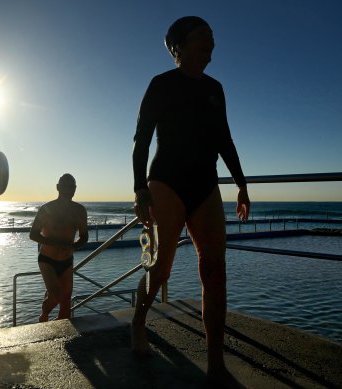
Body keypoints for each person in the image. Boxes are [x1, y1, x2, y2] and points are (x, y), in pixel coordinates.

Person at [131, 16, 251, 384]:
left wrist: (241, 185)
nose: (210, 41)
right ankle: (138, 321)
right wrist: (140, 189)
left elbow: (224, 140)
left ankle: (216, 361)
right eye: (202, 35)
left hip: (205, 184)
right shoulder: (161, 84)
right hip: (165, 181)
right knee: (161, 269)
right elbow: (142, 140)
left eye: (212, 36)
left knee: (215, 271)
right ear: (178, 46)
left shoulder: (215, 88)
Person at [29, 173, 89, 322]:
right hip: (47, 260)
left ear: (75, 189)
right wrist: (57, 244)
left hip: (67, 261)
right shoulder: (46, 209)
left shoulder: (80, 210)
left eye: (72, 186)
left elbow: (84, 236)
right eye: (65, 186)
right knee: (55, 296)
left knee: (65, 305)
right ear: (57, 187)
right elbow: (33, 234)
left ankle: (63, 336)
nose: (68, 189)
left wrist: (75, 246)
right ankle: (43, 316)